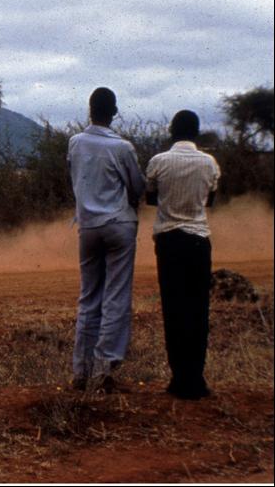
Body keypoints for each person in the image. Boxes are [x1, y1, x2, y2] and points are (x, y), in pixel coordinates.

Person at [67, 87, 145, 392]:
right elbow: (136, 187)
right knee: (116, 297)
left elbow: (72, 177)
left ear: (89, 110)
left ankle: (80, 370)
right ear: (114, 112)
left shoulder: (75, 143)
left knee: (89, 297)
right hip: (118, 225)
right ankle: (104, 367)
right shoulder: (123, 147)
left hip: (87, 227)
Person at [146, 110, 220, 400]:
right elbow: (210, 201)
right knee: (198, 309)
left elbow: (151, 198)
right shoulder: (209, 163)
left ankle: (178, 379)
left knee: (173, 309)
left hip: (169, 241)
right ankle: (196, 379)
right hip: (199, 241)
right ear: (197, 133)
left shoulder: (158, 162)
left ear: (171, 132)